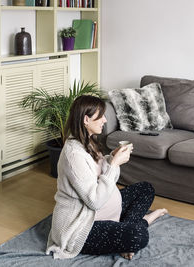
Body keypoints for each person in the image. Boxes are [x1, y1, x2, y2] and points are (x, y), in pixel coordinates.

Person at [46, 95, 167, 260]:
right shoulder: (73, 155)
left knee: (146, 189)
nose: (104, 120)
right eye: (100, 116)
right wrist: (114, 164)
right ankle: (143, 222)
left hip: (107, 212)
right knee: (138, 236)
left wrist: (112, 158)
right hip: (83, 226)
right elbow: (94, 201)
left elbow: (100, 172)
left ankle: (124, 230)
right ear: (86, 120)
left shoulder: (88, 141)